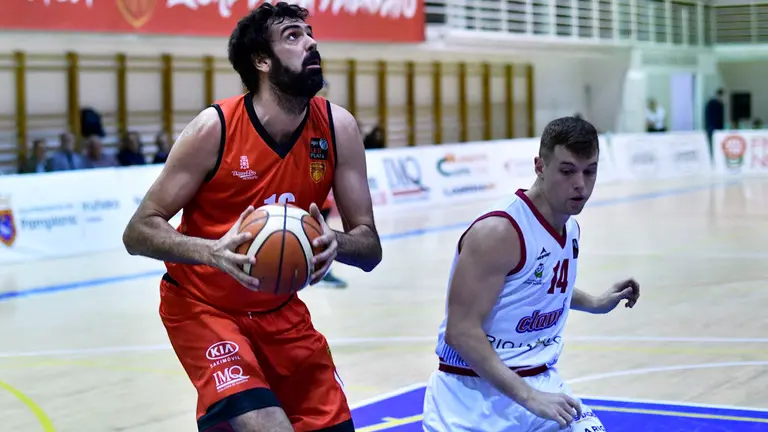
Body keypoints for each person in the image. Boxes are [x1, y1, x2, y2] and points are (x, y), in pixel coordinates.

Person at [121, 3, 382, 432]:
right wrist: (212, 252)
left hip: (281, 310)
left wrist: (334, 242)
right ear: (262, 60)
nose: (311, 42)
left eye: (309, 33)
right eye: (293, 36)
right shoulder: (215, 128)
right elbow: (137, 230)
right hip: (203, 308)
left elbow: (370, 247)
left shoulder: (339, 128)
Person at [422, 116, 640, 431]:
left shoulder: (570, 227)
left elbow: (537, 285)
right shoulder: (498, 232)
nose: (580, 184)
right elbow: (461, 331)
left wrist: (595, 302)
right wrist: (529, 396)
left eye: (589, 171)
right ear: (540, 166)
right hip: (472, 397)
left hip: (540, 382)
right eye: (567, 171)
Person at [318, 192, 348, 288]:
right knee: (319, 238)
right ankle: (322, 274)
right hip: (319, 202)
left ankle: (322, 273)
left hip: (323, 202)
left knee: (320, 238)